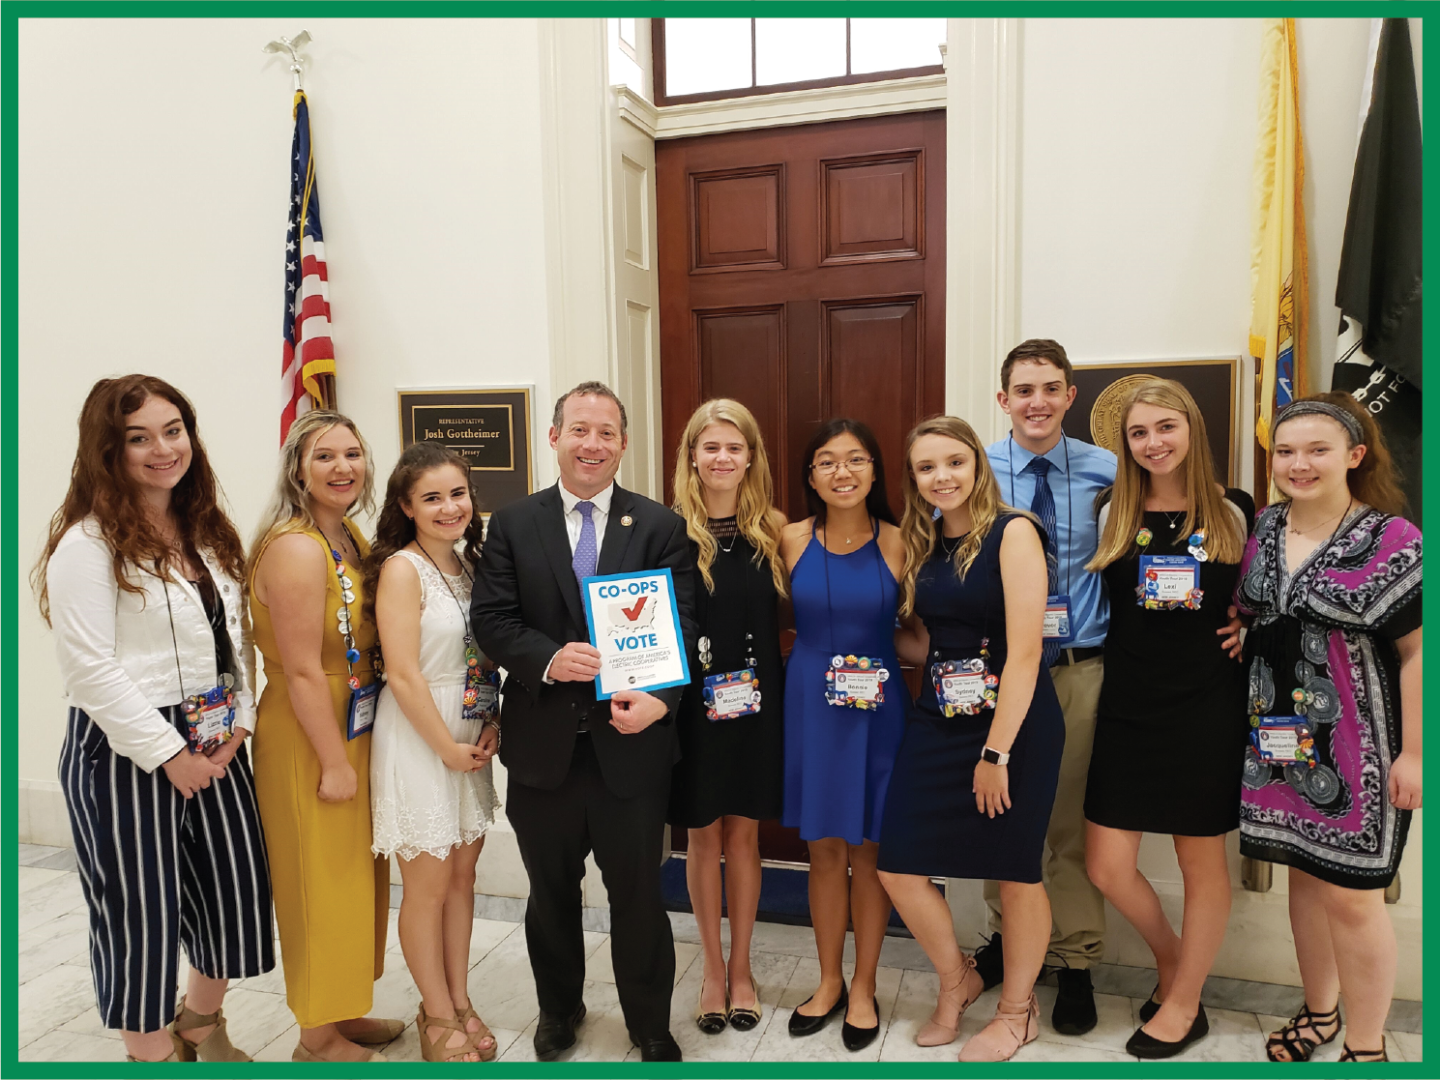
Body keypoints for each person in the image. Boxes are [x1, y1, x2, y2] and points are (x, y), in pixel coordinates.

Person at [36, 375, 274, 1062]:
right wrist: (169, 753)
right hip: (125, 746)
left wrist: (240, 725)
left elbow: (234, 637)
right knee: (140, 914)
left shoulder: (204, 528)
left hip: (215, 733)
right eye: (138, 438)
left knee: (237, 889)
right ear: (107, 450)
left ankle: (200, 1023)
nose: (163, 449)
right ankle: (151, 1053)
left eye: (173, 430)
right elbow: (89, 668)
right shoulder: (86, 545)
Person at [471, 381, 698, 1064]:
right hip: (543, 751)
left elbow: (681, 625)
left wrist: (661, 699)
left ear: (624, 444)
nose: (592, 443)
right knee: (550, 897)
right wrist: (548, 658)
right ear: (555, 437)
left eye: (606, 432)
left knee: (636, 896)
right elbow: (492, 622)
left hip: (630, 746)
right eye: (579, 429)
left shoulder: (658, 525)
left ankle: (648, 1020)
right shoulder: (512, 522)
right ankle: (559, 1009)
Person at [1235, 393, 1421, 1065]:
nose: (1298, 463)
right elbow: (1257, 608)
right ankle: (1320, 1011)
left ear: (1355, 455)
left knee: (1353, 900)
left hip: (1360, 751)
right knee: (1305, 884)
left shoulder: (1393, 539)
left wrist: (1417, 755)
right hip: (1278, 741)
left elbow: (1418, 651)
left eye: (1317, 450)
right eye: (1286, 451)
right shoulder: (1265, 527)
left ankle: (1367, 1049)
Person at [878, 416, 1063, 1062]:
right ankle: (957, 978)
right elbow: (931, 641)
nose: (942, 477)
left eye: (954, 462)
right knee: (897, 865)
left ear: (977, 465)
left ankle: (1018, 1012)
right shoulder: (925, 542)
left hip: (1013, 724)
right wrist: (860, 642)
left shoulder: (1014, 534)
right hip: (940, 716)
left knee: (1014, 871)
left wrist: (997, 753)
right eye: (927, 467)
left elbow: (1026, 652)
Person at [1082, 379, 1253, 1059]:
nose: (1153, 443)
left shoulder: (1235, 511)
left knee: (1200, 860)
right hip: (1128, 703)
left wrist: (1250, 627)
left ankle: (1184, 1003)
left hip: (1205, 705)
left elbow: (1266, 596)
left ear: (1192, 429)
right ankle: (1176, 961)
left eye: (1165, 427)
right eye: (1139, 433)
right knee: (1106, 865)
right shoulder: (1112, 510)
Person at [248, 410, 400, 1063]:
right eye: (325, 456)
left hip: (355, 720)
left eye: (353, 455)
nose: (343, 468)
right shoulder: (294, 546)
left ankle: (343, 1009)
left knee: (356, 876)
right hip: (309, 731)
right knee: (317, 877)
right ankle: (314, 1036)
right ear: (298, 470)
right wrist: (334, 763)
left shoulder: (349, 537)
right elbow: (305, 668)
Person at [981, 339, 1117, 1034]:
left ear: (1070, 397)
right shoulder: (975, 471)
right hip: (999, 673)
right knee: (1000, 812)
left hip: (1076, 670)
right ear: (1002, 400)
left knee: (1067, 824)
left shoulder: (1107, 470)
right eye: (1023, 389)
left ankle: (1077, 962)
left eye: (1051, 388)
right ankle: (1010, 943)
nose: (1037, 401)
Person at [364, 442, 501, 1063]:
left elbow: (483, 654)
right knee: (428, 885)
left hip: (467, 728)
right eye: (432, 498)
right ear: (406, 506)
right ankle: (434, 1012)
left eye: (458, 494)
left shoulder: (472, 565)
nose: (450, 507)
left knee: (463, 877)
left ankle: (460, 999)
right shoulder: (401, 568)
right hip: (422, 734)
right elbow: (401, 673)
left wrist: (488, 720)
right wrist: (445, 744)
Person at [779, 418, 907, 1053]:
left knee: (870, 852)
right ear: (811, 477)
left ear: (875, 471)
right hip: (811, 701)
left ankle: (864, 984)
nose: (842, 472)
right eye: (826, 462)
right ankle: (828, 980)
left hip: (878, 704)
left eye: (855, 459)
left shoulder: (900, 541)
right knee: (824, 848)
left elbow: (918, 629)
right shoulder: (790, 538)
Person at [667, 400, 787, 1036]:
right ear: (692, 455)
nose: (721, 458)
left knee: (745, 836)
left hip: (755, 705)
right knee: (701, 838)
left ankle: (742, 969)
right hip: (691, 709)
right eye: (709, 446)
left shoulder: (774, 529)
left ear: (750, 457)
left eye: (734, 448)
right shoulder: (666, 531)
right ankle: (711, 970)